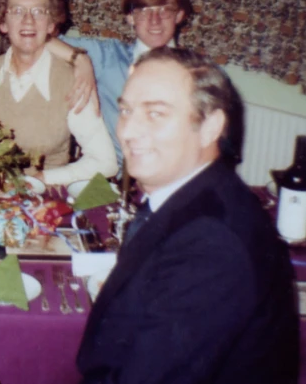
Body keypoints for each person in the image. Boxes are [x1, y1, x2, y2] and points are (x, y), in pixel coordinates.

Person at [77, 47, 299, 384]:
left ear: (211, 127)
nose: (128, 131)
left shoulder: (211, 244)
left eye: (156, 114)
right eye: (126, 110)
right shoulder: (192, 197)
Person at [0, 0, 117, 185]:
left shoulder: (70, 81)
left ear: (51, 24)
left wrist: (44, 178)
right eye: (17, 11)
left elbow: (105, 162)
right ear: (2, 23)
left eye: (39, 11)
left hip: (44, 206)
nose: (28, 20)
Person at [48, 0, 194, 165]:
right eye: (143, 11)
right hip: (109, 178)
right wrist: (80, 59)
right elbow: (39, 39)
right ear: (130, 18)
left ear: (179, 15)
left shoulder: (197, 72)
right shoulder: (109, 57)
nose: (154, 20)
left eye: (165, 10)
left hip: (170, 179)